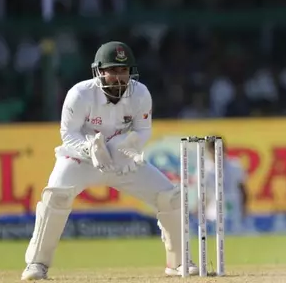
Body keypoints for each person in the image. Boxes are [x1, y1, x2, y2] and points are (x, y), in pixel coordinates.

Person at [21, 41, 198, 280]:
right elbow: (68, 134)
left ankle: (178, 262)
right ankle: (37, 264)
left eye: (123, 71)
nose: (118, 77)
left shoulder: (141, 93)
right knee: (56, 196)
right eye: (112, 70)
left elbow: (143, 129)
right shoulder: (80, 94)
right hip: (81, 160)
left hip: (122, 159)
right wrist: (88, 148)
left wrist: (129, 146)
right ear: (99, 71)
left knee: (170, 197)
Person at [204, 137, 248, 232]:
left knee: (236, 235)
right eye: (212, 150)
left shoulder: (235, 165)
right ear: (208, 151)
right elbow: (202, 192)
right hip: (214, 208)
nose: (215, 153)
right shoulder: (205, 169)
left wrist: (244, 208)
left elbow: (242, 188)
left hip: (234, 206)